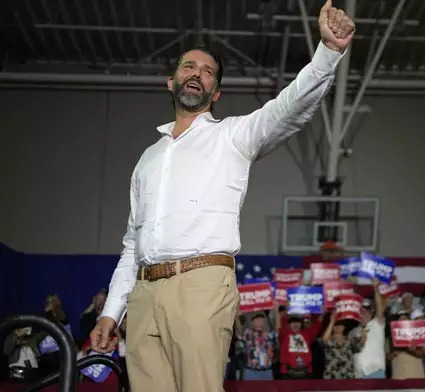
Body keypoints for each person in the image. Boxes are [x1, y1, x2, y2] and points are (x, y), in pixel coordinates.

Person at [89, 2, 356, 391]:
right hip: (143, 295)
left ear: (215, 93)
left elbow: (289, 109)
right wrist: (111, 313)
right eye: (188, 67)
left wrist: (328, 52)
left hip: (201, 285)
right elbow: (132, 243)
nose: (197, 74)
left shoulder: (232, 136)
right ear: (171, 81)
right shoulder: (147, 159)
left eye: (208, 71)